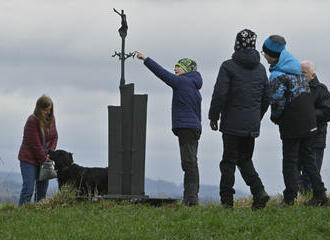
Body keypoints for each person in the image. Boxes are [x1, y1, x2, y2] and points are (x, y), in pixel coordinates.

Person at [262, 35, 329, 206]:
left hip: (292, 122)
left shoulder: (277, 74)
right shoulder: (297, 69)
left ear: (271, 55)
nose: (264, 56)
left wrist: (275, 118)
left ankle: (289, 198)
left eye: (265, 53)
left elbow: (278, 101)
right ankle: (320, 195)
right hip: (309, 121)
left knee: (290, 161)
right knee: (308, 159)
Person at [209, 29, 271, 210]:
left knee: (228, 161)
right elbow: (267, 98)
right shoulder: (260, 69)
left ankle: (227, 203)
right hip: (251, 123)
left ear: (236, 44)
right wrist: (255, 116)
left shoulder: (228, 66)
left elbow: (220, 93)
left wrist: (214, 116)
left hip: (231, 123)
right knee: (245, 159)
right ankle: (259, 192)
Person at [136, 52, 202, 206]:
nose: (175, 69)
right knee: (192, 162)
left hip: (185, 128)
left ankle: (191, 200)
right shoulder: (194, 86)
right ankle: (192, 197)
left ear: (187, 69)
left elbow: (162, 73)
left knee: (188, 163)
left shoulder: (182, 82)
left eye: (179, 67)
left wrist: (146, 59)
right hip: (194, 128)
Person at [18, 95, 58, 205]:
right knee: (28, 190)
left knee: (42, 192)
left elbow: (55, 137)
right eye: (46, 110)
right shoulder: (32, 121)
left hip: (45, 159)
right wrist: (45, 158)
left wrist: (50, 152)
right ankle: (20, 214)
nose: (48, 112)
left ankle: (38, 215)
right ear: (39, 108)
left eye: (50, 109)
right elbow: (34, 145)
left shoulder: (51, 120)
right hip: (29, 160)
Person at [298, 61, 330, 193]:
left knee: (310, 175)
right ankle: (299, 199)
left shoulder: (321, 90)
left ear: (313, 75)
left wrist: (308, 114)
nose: (300, 76)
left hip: (316, 139)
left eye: (303, 73)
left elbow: (327, 112)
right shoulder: (296, 89)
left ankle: (314, 199)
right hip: (299, 137)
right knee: (294, 172)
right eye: (298, 73)